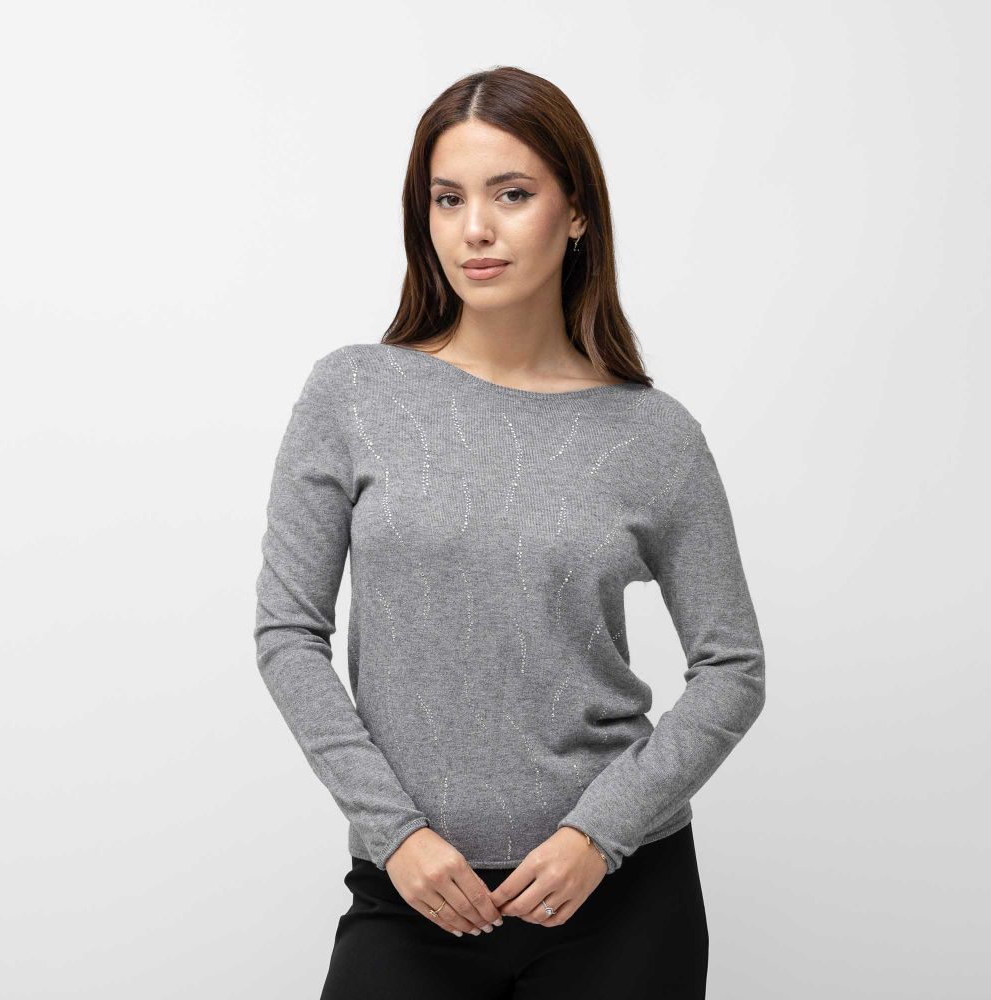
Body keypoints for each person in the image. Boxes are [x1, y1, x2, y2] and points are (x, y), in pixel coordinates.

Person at [253, 65, 766, 999]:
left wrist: (598, 834)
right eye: (448, 198)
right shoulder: (354, 393)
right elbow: (288, 634)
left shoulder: (653, 435)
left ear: (577, 214)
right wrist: (396, 835)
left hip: (616, 898)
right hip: (412, 894)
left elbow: (732, 667)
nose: (475, 229)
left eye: (512, 194)